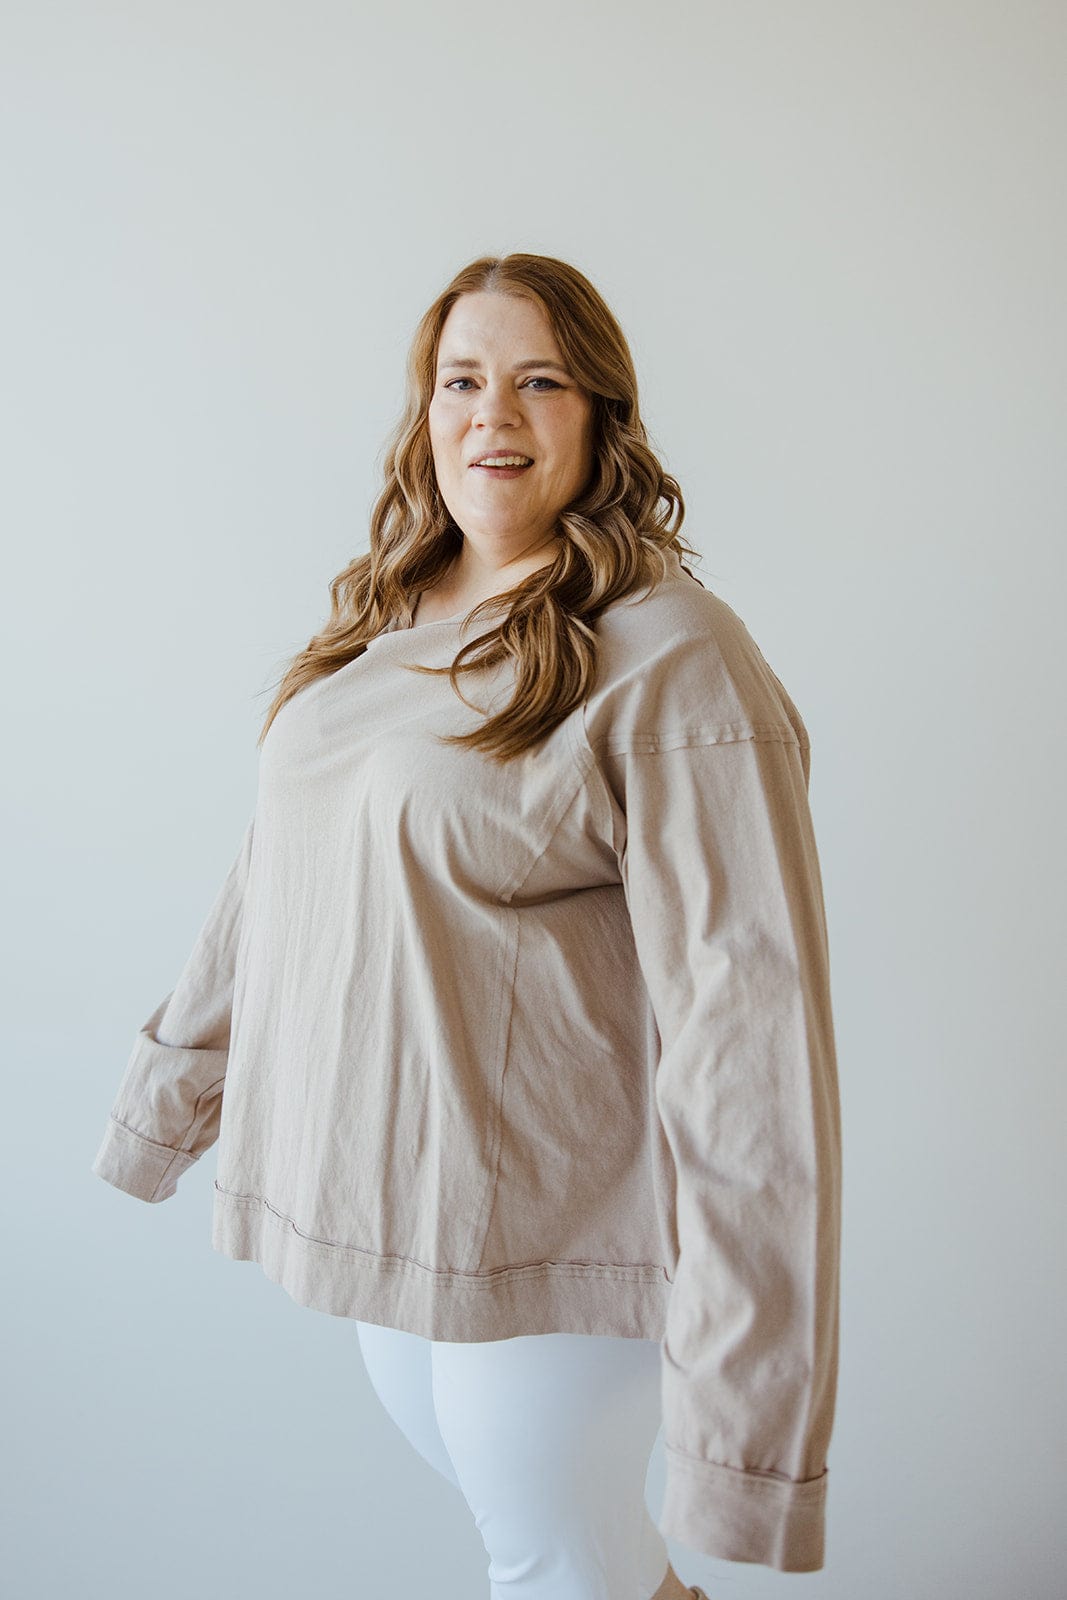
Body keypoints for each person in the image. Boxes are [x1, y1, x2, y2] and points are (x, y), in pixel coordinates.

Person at [91, 253, 842, 1599]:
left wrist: (747, 1423)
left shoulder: (674, 656)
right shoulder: (387, 619)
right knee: (606, 1573)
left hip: (561, 1240)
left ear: (602, 417)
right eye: (462, 380)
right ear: (424, 413)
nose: (494, 413)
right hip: (394, 1220)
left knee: (556, 1569)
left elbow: (752, 1041)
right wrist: (167, 1103)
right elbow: (276, 884)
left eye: (539, 380)